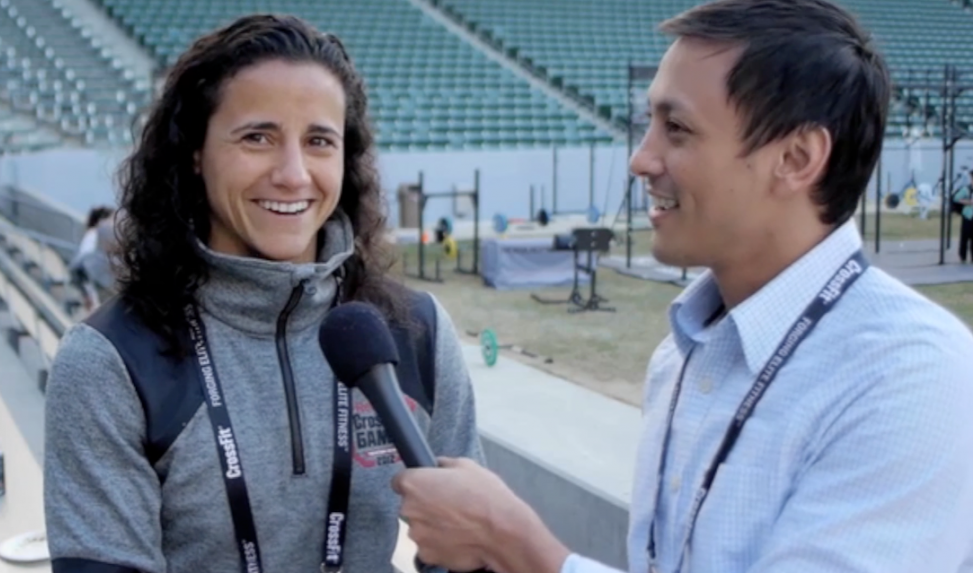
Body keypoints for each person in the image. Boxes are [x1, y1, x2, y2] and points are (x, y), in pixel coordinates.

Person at [391, 1, 973, 572]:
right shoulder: (681, 357)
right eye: (650, 124)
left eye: (678, 128)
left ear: (796, 158)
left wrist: (520, 547)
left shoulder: (912, 376)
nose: (642, 159)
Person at [43, 13, 483, 573]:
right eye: (258, 137)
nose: (294, 174)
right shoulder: (109, 361)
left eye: (319, 141)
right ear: (196, 153)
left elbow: (473, 551)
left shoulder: (414, 329)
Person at [69, 205, 118, 310]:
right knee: (94, 303)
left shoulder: (91, 232)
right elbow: (89, 253)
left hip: (81, 267)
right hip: (84, 268)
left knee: (91, 301)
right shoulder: (96, 233)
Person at [955, 173, 973, 263]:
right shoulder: (967, 189)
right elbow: (956, 198)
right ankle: (963, 256)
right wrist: (969, 202)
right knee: (965, 236)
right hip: (968, 215)